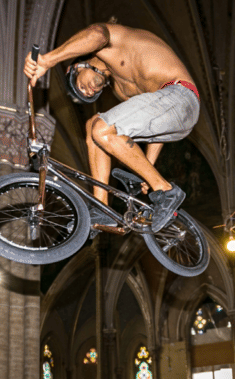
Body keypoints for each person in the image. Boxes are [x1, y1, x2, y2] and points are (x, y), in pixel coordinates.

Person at [24, 20, 199, 232]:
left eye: (81, 86)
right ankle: (101, 207)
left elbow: (97, 34)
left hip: (181, 94)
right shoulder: (121, 90)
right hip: (175, 116)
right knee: (93, 127)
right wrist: (147, 171)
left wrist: (48, 60)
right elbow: (156, 123)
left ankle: (165, 190)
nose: (88, 92)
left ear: (76, 66)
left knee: (102, 128)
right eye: (88, 94)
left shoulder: (112, 42)